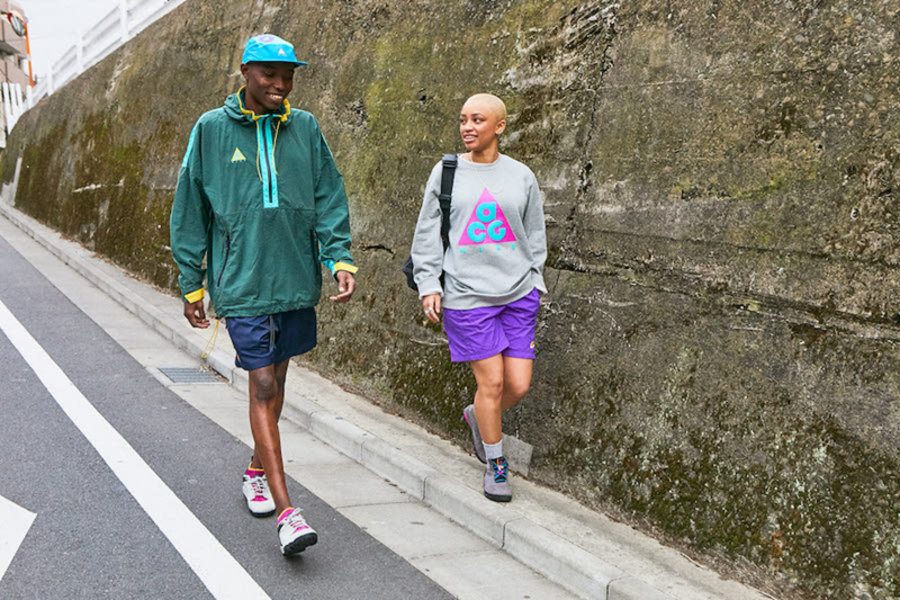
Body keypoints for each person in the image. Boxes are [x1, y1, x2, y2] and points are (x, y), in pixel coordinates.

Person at [169, 34, 357, 555]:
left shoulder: (305, 127)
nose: (280, 84)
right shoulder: (211, 129)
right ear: (246, 72)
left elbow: (329, 193)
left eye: (288, 75)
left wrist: (338, 257)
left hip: (295, 277)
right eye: (270, 74)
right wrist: (192, 282)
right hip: (242, 281)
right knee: (264, 383)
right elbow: (190, 209)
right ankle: (287, 511)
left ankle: (256, 469)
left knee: (278, 381)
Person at [410, 93, 547, 502]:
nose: (467, 127)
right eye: (463, 120)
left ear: (500, 126)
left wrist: (535, 279)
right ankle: (496, 464)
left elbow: (535, 233)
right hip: (467, 296)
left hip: (518, 293)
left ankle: (478, 415)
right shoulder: (447, 172)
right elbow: (427, 232)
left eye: (477, 120)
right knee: (493, 382)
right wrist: (429, 285)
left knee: (517, 386)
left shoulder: (521, 175)